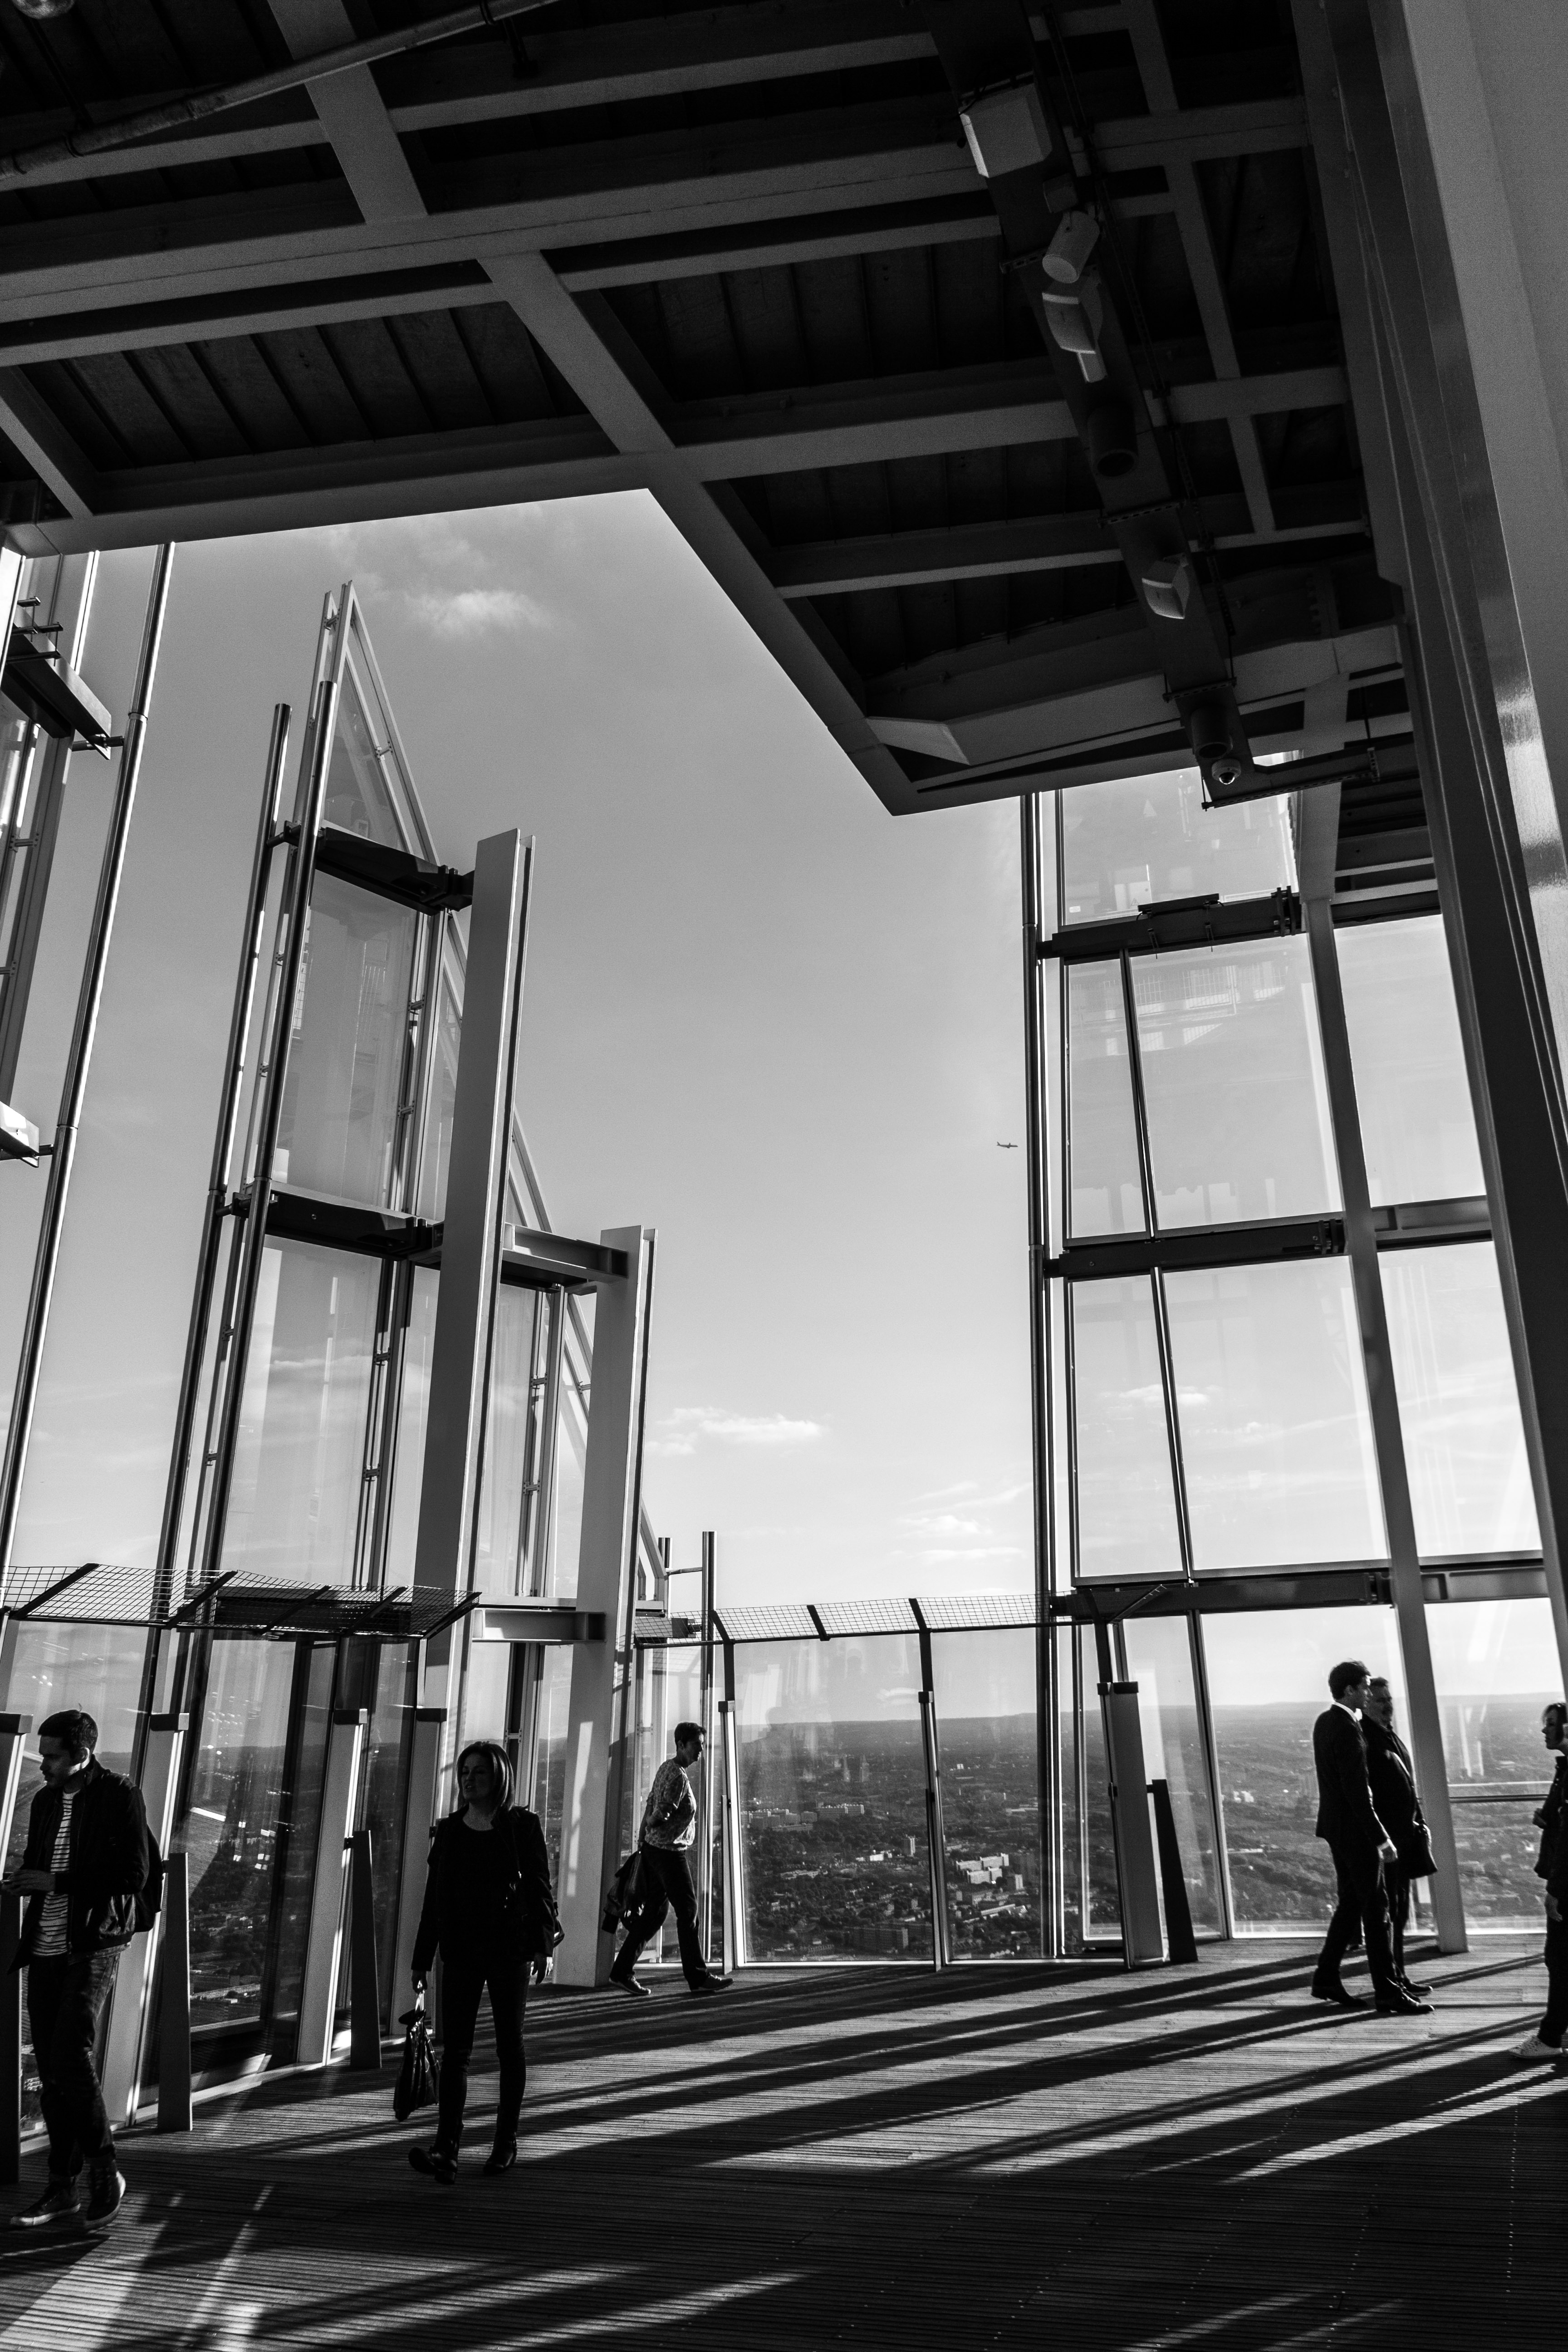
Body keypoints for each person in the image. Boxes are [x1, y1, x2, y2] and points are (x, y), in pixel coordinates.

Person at [2, 1709, 148, 2231]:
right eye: (42, 1754)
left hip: (92, 1944)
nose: (42, 1764)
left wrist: (55, 1882)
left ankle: (105, 2171)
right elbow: (40, 1866)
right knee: (51, 2071)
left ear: (82, 1754)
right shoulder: (45, 1801)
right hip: (44, 1947)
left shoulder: (119, 1794)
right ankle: (62, 2188)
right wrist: (22, 1880)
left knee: (70, 2055)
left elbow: (134, 1874)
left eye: (52, 1756)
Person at [407, 1739, 559, 2183]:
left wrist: (543, 1946)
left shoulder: (522, 1827)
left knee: (510, 2046)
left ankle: (505, 2142)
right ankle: (446, 2150)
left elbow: (540, 1888)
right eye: (465, 1772)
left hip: (509, 1949)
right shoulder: (450, 1830)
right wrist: (421, 1959)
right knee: (455, 2052)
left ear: (499, 1778)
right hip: (461, 1951)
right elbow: (434, 1900)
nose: (469, 1780)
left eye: (479, 1772)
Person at [1310, 1661, 1429, 2015]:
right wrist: (1381, 1839)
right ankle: (1388, 1992)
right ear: (1349, 1690)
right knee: (1378, 1911)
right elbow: (1357, 1792)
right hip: (1356, 1833)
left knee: (1351, 1903)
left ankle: (1326, 1977)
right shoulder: (1349, 1728)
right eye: (1364, 1687)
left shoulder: (1325, 1722)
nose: (1368, 1692)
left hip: (1337, 1829)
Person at [609, 1721, 730, 1999]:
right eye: (697, 1745)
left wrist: (644, 1834)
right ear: (681, 1745)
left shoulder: (667, 1767)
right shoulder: (679, 1778)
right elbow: (661, 1811)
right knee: (688, 1910)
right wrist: (654, 1824)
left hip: (654, 1850)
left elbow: (651, 1801)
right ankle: (698, 1977)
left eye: (702, 1745)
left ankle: (621, 1971)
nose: (701, 1750)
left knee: (656, 1913)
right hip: (669, 1854)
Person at [1362, 1677, 1438, 1999]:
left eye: (1389, 1699)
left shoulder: (1389, 1736)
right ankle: (1393, 1981)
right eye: (1380, 1700)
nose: (1387, 1705)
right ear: (1366, 1703)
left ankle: (1400, 1976)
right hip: (1387, 1843)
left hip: (1402, 1838)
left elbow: (1407, 1787)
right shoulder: (1368, 1740)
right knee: (1391, 1911)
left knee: (1400, 1909)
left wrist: (1419, 1823)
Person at [1512, 1699, 1568, 2062]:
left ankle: (1550, 2037)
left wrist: (1555, 1890)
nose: (1544, 1730)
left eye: (1551, 1723)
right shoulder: (1564, 1769)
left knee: (1559, 1959)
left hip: (1566, 1883)